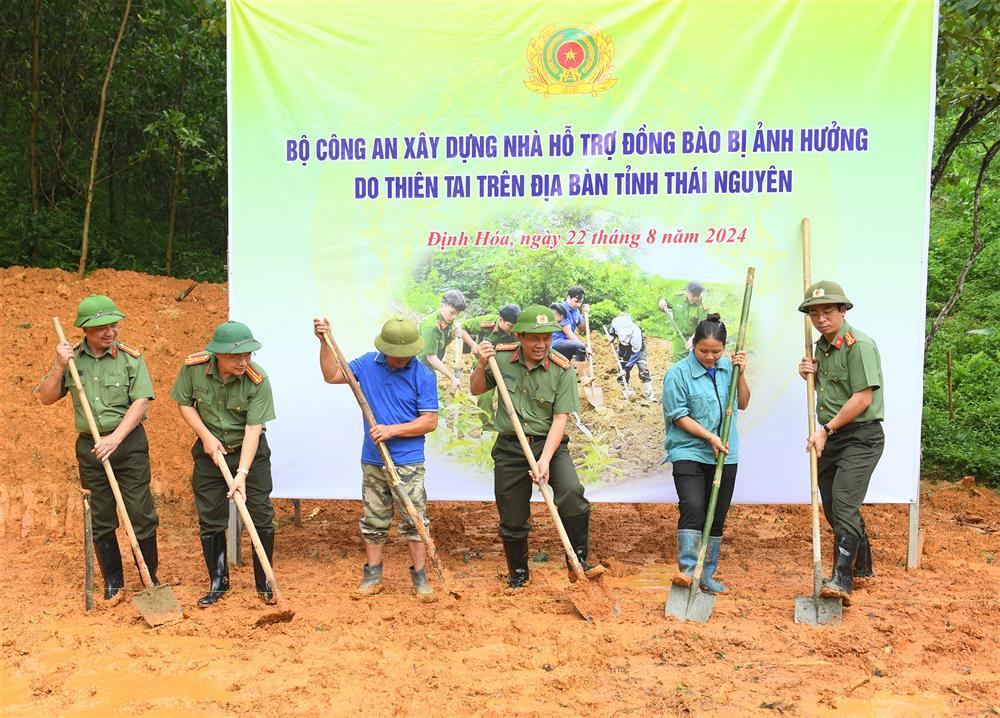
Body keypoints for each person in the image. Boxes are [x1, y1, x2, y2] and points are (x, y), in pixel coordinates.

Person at [470, 305, 604, 588]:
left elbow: (560, 419)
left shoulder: (562, 369)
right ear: (519, 336)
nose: (541, 344)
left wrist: (544, 460)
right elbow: (477, 389)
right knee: (512, 514)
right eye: (534, 338)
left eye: (546, 338)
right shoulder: (501, 359)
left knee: (571, 492)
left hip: (549, 445)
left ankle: (577, 561)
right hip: (510, 448)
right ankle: (518, 573)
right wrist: (481, 364)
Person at [37, 295, 159, 600]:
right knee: (101, 517)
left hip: (127, 445)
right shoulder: (73, 360)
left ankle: (150, 580)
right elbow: (46, 397)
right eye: (102, 328)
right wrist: (58, 365)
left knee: (140, 513)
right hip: (90, 450)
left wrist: (115, 439)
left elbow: (141, 401)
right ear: (85, 330)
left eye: (113, 325)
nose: (111, 332)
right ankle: (113, 584)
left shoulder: (131, 358)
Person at [314, 315, 439, 598]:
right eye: (396, 355)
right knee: (374, 519)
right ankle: (373, 576)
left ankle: (420, 579)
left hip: (407, 461)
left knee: (414, 520)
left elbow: (429, 421)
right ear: (385, 349)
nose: (401, 359)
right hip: (373, 460)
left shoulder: (423, 375)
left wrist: (392, 431)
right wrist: (324, 342)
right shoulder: (368, 364)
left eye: (406, 354)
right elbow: (332, 374)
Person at [171, 321, 277, 607]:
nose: (244, 362)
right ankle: (218, 581)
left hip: (249, 452)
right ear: (218, 354)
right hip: (210, 452)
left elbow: (253, 429)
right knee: (211, 516)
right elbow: (185, 403)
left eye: (248, 355)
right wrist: (205, 436)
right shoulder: (194, 368)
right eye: (236, 356)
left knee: (260, 512)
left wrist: (242, 473)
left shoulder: (258, 379)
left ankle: (264, 583)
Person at [798, 281, 883, 604]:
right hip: (832, 436)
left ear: (842, 311)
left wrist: (825, 430)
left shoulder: (859, 345)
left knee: (845, 502)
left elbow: (862, 398)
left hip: (861, 437)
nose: (821, 318)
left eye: (828, 311)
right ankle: (862, 567)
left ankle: (841, 580)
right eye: (814, 313)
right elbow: (832, 388)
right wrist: (808, 373)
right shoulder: (819, 347)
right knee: (835, 506)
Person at [661, 313, 749, 594]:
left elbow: (743, 403)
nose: (710, 357)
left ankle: (707, 575)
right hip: (689, 452)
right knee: (694, 508)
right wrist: (710, 436)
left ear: (725, 348)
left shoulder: (728, 369)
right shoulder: (678, 373)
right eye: (703, 351)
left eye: (716, 352)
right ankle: (688, 574)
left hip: (725, 454)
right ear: (692, 345)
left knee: (717, 515)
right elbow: (678, 415)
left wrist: (741, 373)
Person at [460, 304, 521, 429]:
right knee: (485, 396)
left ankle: (510, 426)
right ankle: (488, 428)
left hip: (508, 365)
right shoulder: (486, 322)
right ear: (501, 320)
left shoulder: (518, 329)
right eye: (510, 326)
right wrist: (474, 346)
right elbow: (462, 328)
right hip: (485, 365)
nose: (513, 330)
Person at [417, 289, 475, 391]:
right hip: (418, 365)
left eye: (457, 314)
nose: (454, 317)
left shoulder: (446, 321)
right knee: (429, 388)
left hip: (429, 364)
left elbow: (442, 344)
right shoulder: (430, 327)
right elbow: (431, 357)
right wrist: (452, 377)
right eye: (452, 312)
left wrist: (452, 336)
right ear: (441, 306)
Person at [607, 312, 654, 400]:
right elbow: (613, 329)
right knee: (621, 369)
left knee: (643, 369)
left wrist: (627, 369)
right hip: (623, 348)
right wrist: (612, 336)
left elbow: (635, 353)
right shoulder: (616, 323)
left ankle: (649, 395)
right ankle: (623, 391)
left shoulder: (636, 332)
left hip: (638, 350)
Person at [550, 286, 593, 383]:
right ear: (569, 297)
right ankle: (583, 378)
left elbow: (582, 329)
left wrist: (585, 314)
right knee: (579, 346)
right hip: (556, 342)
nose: (578, 304)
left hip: (566, 343)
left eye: (580, 302)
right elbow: (569, 333)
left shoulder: (576, 311)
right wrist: (583, 347)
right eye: (576, 301)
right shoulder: (562, 309)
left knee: (563, 371)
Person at [659, 281, 709, 362]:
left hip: (697, 338)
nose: (696, 298)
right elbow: (665, 303)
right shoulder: (677, 297)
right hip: (679, 338)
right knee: (678, 364)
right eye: (693, 296)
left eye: (698, 296)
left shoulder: (702, 306)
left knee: (695, 363)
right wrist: (662, 301)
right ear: (687, 292)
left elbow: (703, 326)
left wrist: (694, 339)